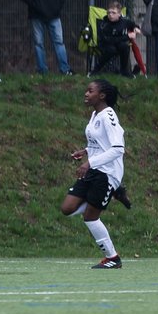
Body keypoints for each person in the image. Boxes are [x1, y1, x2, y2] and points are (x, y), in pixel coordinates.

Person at [60, 79, 126, 269]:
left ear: (102, 96)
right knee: (67, 208)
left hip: (107, 173)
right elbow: (100, 143)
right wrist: (86, 151)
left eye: (90, 91)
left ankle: (113, 258)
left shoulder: (108, 116)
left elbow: (118, 149)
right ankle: (110, 194)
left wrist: (90, 162)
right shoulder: (94, 115)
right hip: (95, 169)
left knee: (90, 217)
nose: (86, 94)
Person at [94, 2, 142, 77]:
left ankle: (125, 72)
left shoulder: (124, 21)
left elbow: (133, 25)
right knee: (111, 50)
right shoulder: (104, 24)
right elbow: (109, 40)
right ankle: (95, 70)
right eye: (109, 12)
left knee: (125, 46)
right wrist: (127, 36)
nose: (110, 15)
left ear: (119, 14)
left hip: (118, 44)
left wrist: (136, 28)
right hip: (105, 45)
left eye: (113, 13)